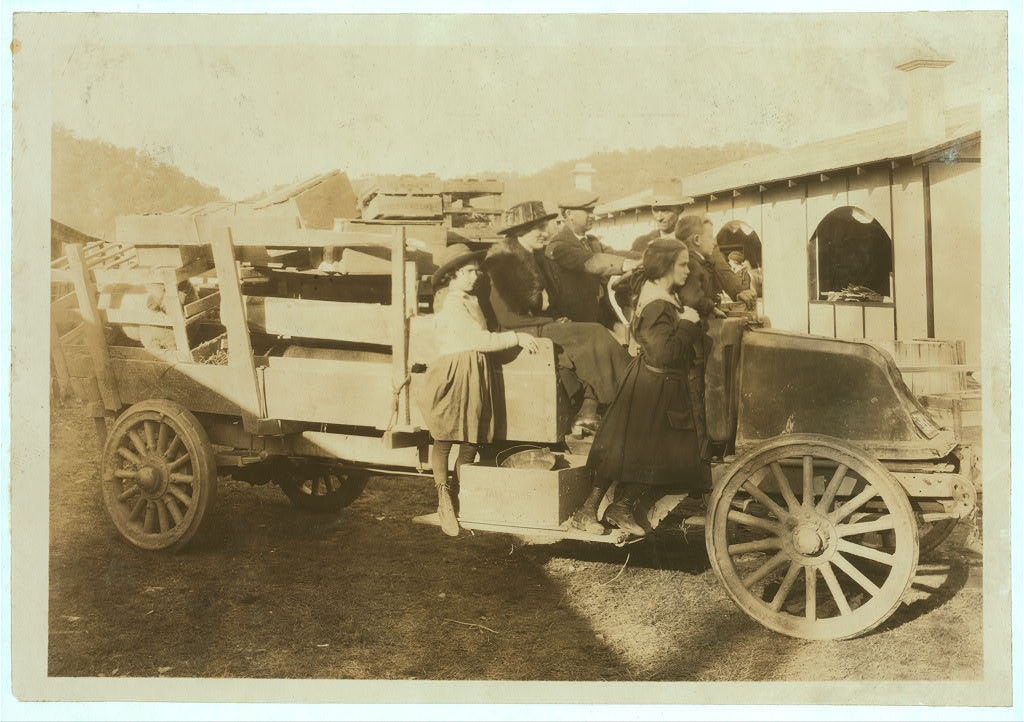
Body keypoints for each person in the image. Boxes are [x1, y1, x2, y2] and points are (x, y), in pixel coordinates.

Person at [570, 239, 708, 536]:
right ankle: (588, 511)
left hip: (659, 385)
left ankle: (617, 507)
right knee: (627, 451)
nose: (687, 270)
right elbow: (663, 352)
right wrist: (687, 324)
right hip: (651, 386)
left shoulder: (663, 296)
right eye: (682, 264)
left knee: (643, 451)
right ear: (666, 267)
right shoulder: (657, 303)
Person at [419, 244, 538, 536]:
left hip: (474, 370)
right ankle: (443, 497)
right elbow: (477, 339)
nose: (475, 275)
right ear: (453, 276)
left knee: (472, 437)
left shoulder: (471, 299)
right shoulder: (451, 303)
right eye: (468, 271)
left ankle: (460, 493)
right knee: (446, 436)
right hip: (454, 371)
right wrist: (517, 338)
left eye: (476, 270)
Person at [483, 201, 631, 434]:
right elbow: (508, 318)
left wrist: (558, 318)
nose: (546, 233)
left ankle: (596, 406)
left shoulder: (540, 259)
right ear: (520, 232)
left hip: (541, 325)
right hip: (520, 330)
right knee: (593, 334)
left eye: (545, 227)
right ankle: (620, 399)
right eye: (539, 229)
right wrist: (550, 322)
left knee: (592, 332)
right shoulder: (502, 263)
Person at [543, 190, 640, 327]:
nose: (592, 215)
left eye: (592, 211)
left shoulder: (592, 242)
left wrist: (649, 256)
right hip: (574, 322)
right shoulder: (559, 246)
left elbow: (615, 253)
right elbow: (592, 261)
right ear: (569, 214)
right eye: (587, 211)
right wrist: (627, 264)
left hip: (599, 316)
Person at [630, 190, 693, 254]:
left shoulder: (691, 243)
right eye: (655, 210)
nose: (659, 218)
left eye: (665, 210)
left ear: (680, 210)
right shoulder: (641, 243)